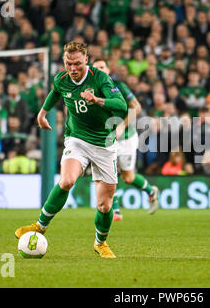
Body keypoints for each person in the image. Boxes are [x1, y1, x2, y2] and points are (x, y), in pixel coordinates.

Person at [15, 41, 127, 259]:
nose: (73, 68)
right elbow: (56, 92)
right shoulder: (62, 79)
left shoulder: (100, 78)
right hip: (76, 139)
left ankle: (100, 243)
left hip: (104, 144)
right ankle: (40, 225)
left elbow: (121, 105)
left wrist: (98, 100)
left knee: (105, 205)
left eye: (77, 63)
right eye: (68, 63)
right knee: (66, 180)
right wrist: (42, 113)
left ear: (86, 59)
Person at [92, 59, 159, 221]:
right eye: (96, 68)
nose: (100, 70)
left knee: (128, 177)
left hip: (126, 137)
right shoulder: (89, 90)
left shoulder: (118, 86)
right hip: (105, 139)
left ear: (108, 69)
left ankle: (151, 191)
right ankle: (115, 210)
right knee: (108, 174)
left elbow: (136, 107)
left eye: (102, 67)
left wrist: (121, 126)